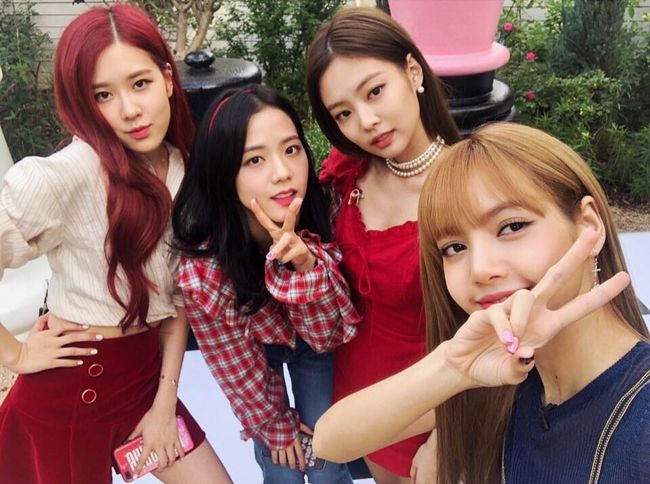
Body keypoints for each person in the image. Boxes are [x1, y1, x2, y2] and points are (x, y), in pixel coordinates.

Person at [312, 122, 649, 484]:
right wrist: (453, 367)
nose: (480, 269)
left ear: (588, 226)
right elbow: (330, 441)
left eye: (512, 227)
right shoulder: (506, 375)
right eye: (455, 248)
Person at [0, 5, 232, 484]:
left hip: (144, 381)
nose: (128, 110)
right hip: (67, 395)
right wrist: (15, 355)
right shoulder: (67, 174)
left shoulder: (184, 169)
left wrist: (165, 402)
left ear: (167, 79)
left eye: (139, 83)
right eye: (103, 95)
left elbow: (177, 301)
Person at [172, 84, 359, 484]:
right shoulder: (204, 266)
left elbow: (327, 337)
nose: (282, 172)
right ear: (223, 171)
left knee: (327, 458)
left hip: (312, 338)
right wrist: (274, 425)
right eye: (254, 159)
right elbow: (233, 363)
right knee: (281, 464)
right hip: (252, 345)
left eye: (291, 149)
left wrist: (304, 266)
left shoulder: (324, 211)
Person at [305, 6, 460, 483]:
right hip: (361, 395)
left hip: (439, 406)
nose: (366, 121)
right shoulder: (348, 174)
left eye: (375, 91)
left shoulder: (469, 184)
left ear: (412, 71)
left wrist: (445, 434)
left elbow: (498, 324)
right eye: (344, 114)